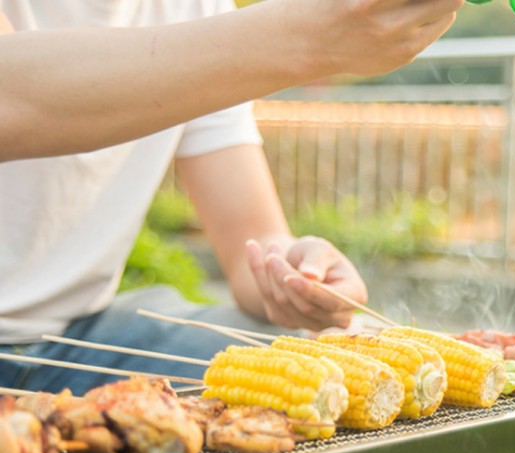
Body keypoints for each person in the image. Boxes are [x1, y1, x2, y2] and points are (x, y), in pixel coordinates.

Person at [0, 0, 462, 395]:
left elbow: (253, 248)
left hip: (83, 334)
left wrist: (295, 274)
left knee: (326, 375)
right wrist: (304, 35)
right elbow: (13, 99)